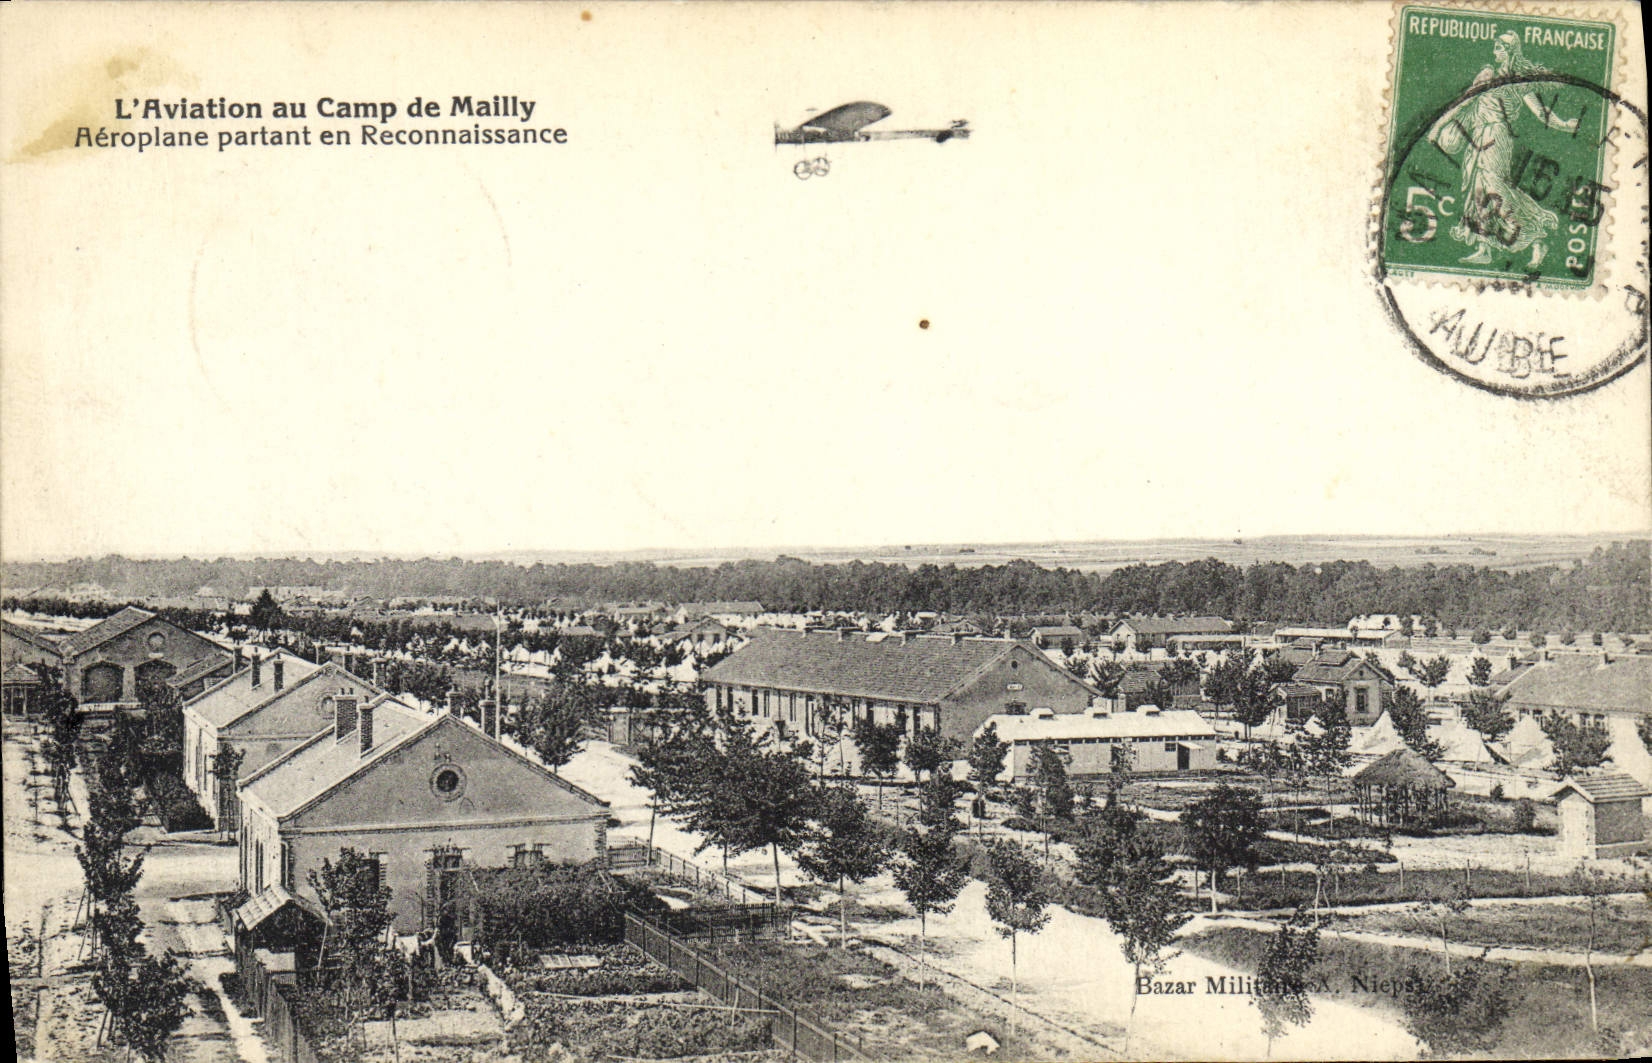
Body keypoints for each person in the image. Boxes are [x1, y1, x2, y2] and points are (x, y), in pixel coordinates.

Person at [1428, 32, 1580, 268]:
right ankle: (1483, 248)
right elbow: (1463, 103)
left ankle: (1536, 238)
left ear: (1510, 51)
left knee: (1494, 188)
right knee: (1475, 190)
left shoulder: (1519, 82)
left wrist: (1565, 124)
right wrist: (1437, 127)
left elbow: (1542, 114)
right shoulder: (1487, 75)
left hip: (1497, 137)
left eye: (1498, 48)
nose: (1494, 52)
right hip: (1477, 136)